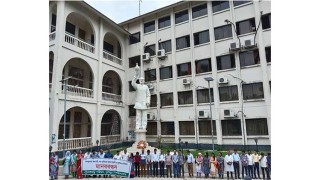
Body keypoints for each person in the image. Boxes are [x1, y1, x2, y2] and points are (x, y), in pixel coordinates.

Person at [131, 64, 151, 130]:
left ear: (144, 80)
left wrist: (148, 102)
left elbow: (148, 95)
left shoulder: (146, 87)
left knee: (144, 116)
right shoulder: (137, 86)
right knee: (138, 116)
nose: (141, 81)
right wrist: (136, 73)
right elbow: (133, 83)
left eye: (142, 80)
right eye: (140, 80)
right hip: (138, 103)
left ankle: (144, 126)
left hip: (144, 103)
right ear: (139, 80)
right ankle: (138, 126)